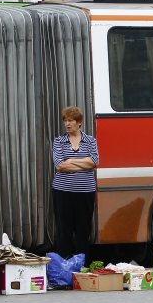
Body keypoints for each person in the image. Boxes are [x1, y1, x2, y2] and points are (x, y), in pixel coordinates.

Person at [52, 106, 98, 259]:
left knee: (83, 230)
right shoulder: (59, 141)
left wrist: (71, 160)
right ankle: (64, 265)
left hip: (85, 193)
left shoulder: (90, 140)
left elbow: (94, 162)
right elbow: (59, 165)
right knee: (64, 230)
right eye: (65, 120)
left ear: (79, 122)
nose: (67, 124)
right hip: (62, 192)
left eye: (70, 120)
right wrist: (83, 162)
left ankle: (81, 266)